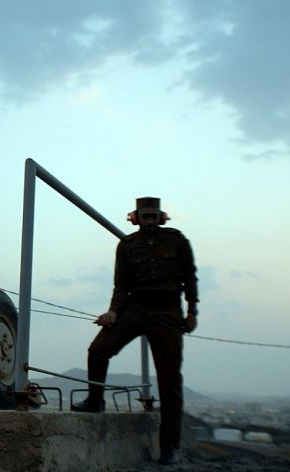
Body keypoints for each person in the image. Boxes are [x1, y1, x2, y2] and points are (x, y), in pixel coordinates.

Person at [71, 196, 198, 467]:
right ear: (136, 218)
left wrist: (191, 312)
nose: (150, 221)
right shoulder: (127, 246)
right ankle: (95, 401)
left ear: (161, 217)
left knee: (169, 381)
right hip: (134, 310)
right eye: (145, 216)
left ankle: (169, 448)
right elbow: (121, 285)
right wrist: (113, 313)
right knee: (98, 350)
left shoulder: (178, 241)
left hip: (167, 314)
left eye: (154, 216)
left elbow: (190, 277)